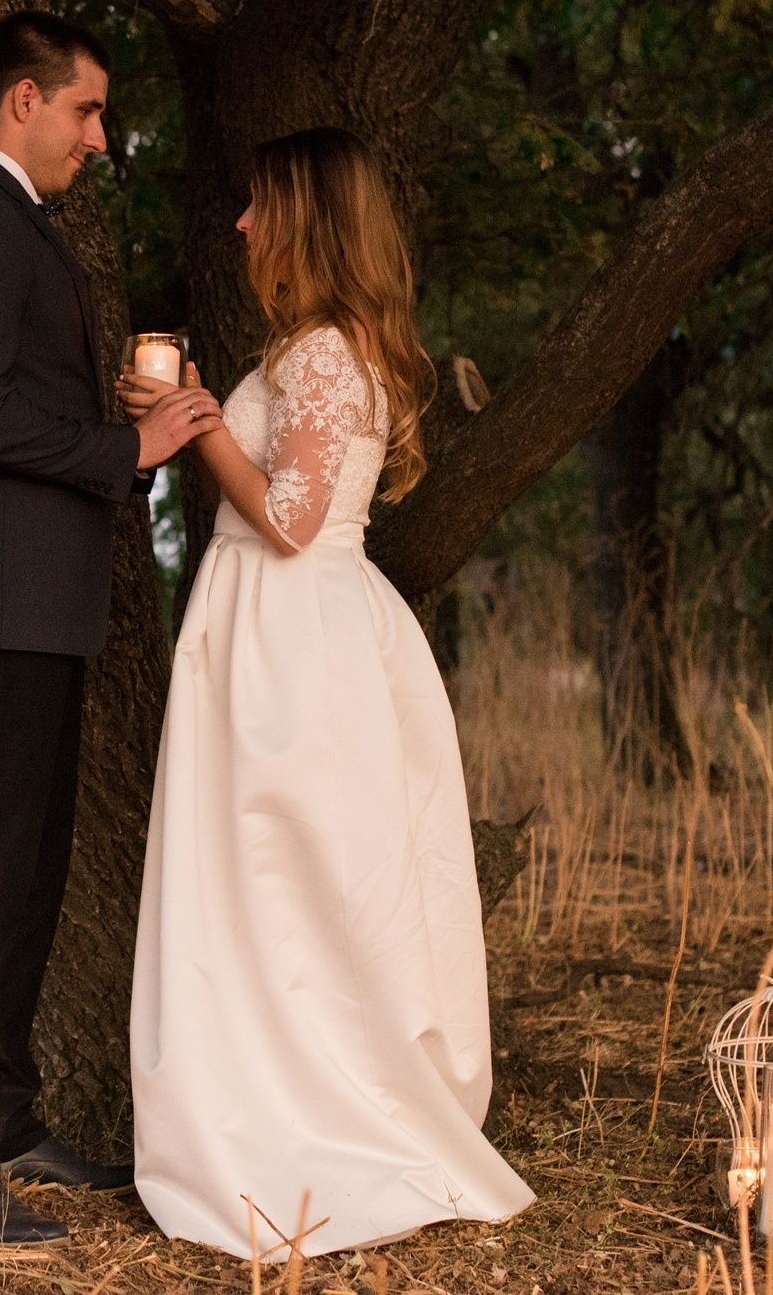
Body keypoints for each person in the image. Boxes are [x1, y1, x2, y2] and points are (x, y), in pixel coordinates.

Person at [121, 126, 534, 1258]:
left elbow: (293, 520)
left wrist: (197, 429)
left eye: (261, 206)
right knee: (281, 883)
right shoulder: (318, 346)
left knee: (279, 874)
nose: (244, 225)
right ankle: (278, 1091)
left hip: (291, 637)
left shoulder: (320, 356)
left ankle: (302, 1116)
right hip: (289, 627)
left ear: (306, 219)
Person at [0, 9, 223, 1245]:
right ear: (22, 101)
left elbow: (11, 398)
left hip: (36, 597)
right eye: (86, 110)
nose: (100, 135)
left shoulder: (15, 224)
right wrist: (119, 446)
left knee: (28, 871)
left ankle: (3, 1111)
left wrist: (131, 429)